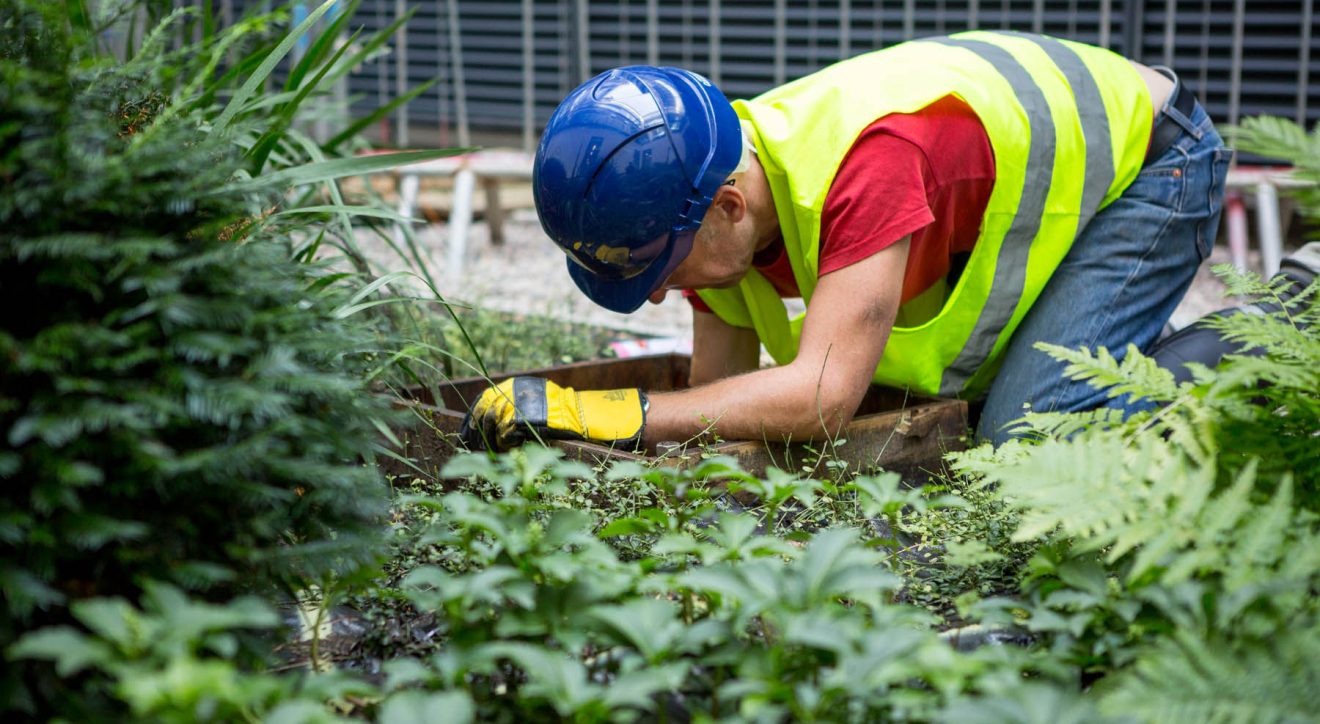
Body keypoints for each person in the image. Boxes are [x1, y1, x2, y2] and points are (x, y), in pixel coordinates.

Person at [460, 30, 1232, 452]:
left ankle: (1279, 320)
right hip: (1060, 171)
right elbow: (706, 407)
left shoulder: (870, 169)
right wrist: (571, 424)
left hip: (1157, 159)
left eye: (660, 268)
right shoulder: (699, 190)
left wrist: (611, 410)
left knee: (1027, 432)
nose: (658, 292)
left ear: (728, 206)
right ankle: (1130, 339)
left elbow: (819, 401)